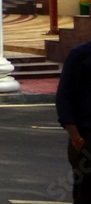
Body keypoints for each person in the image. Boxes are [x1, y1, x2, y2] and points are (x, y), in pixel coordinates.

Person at [56, 39, 91, 203]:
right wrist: (76, 138)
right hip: (86, 138)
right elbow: (64, 97)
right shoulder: (80, 55)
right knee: (85, 191)